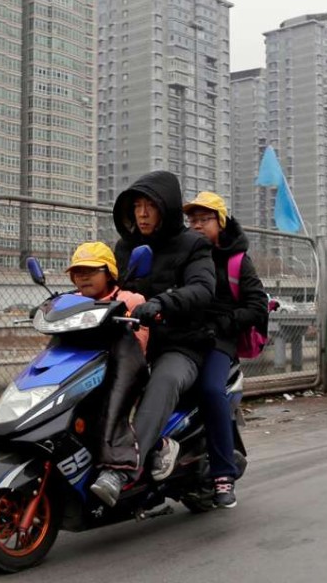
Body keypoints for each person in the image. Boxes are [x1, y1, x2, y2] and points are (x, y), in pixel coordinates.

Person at [90, 171, 216, 506]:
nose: (142, 214)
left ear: (168, 209)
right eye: (137, 207)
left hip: (180, 344)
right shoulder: (125, 246)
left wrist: (162, 303)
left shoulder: (194, 245)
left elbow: (202, 288)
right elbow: (111, 287)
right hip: (134, 340)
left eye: (150, 206)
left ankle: (120, 469)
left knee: (163, 381)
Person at [183, 191, 269, 508]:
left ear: (220, 222)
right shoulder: (185, 254)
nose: (196, 226)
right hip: (184, 335)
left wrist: (223, 324)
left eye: (204, 220)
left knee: (209, 390)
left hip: (220, 339)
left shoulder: (236, 260)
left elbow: (258, 305)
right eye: (192, 220)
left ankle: (222, 475)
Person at [65, 242, 149, 493]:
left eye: (91, 271)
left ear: (109, 273)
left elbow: (139, 344)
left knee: (115, 401)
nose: (83, 277)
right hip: (82, 375)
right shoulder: (70, 301)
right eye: (78, 272)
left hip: (123, 374)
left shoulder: (129, 300)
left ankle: (118, 469)